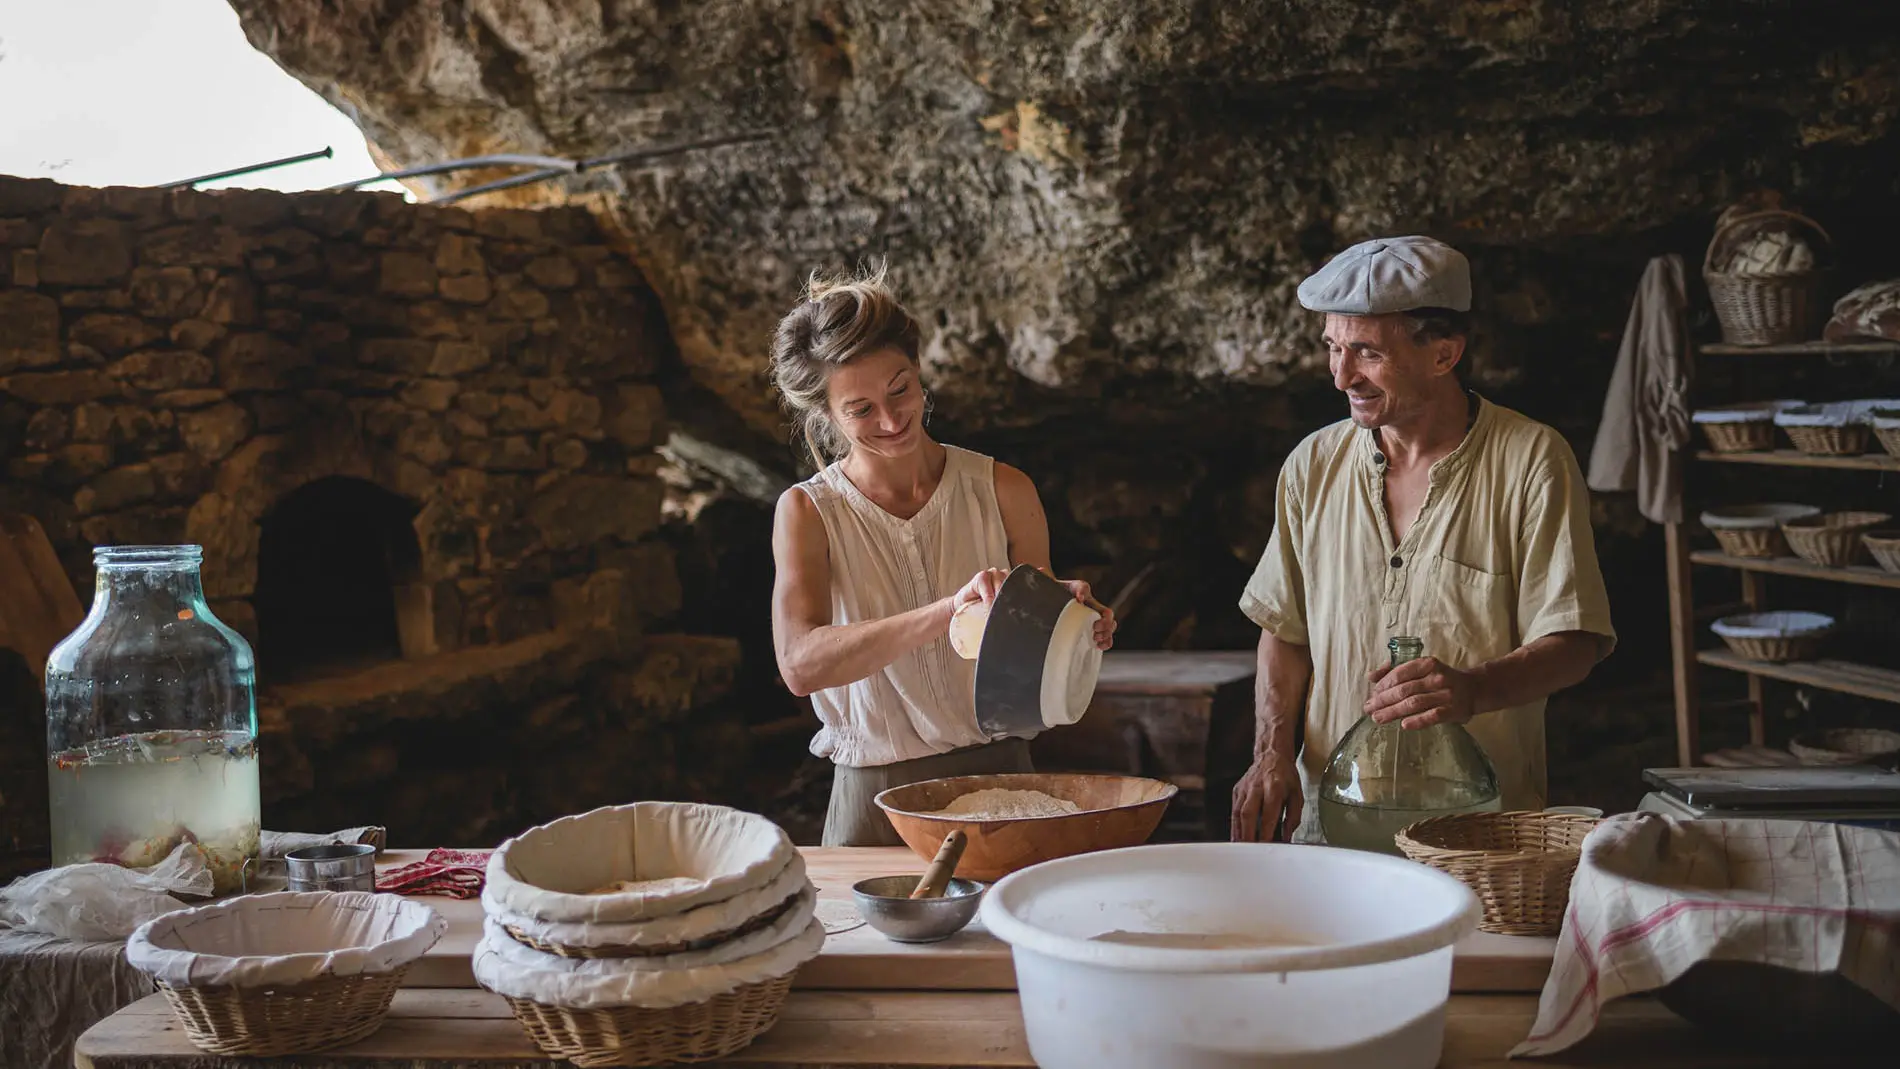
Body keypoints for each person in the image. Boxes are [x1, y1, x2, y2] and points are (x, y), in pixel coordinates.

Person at [1230, 236, 1616, 844]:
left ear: (1444, 353)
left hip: (1476, 835)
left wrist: (1474, 689)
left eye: (1366, 352)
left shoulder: (1532, 460)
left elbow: (1574, 641)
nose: (1341, 375)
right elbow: (1284, 630)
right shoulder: (1312, 465)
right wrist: (1271, 753)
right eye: (1333, 348)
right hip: (1330, 827)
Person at [769, 266, 1117, 847]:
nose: (891, 419)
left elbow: (1032, 653)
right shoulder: (809, 511)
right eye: (860, 410)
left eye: (900, 388)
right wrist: (948, 612)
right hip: (873, 794)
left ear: (919, 370)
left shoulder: (1004, 488)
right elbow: (801, 666)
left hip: (1003, 773)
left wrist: (1072, 622)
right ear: (825, 416)